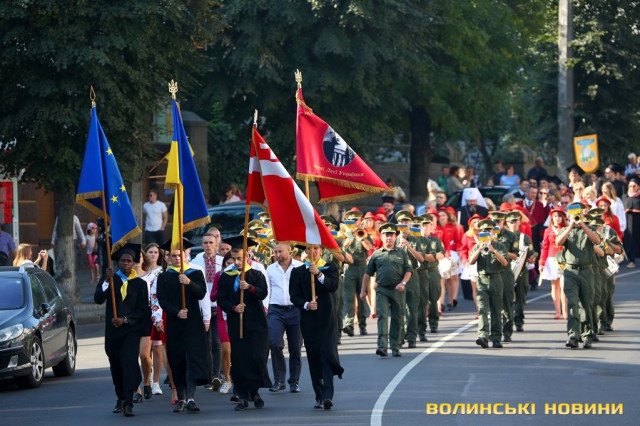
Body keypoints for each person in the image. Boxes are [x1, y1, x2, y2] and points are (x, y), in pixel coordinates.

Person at [94, 244, 150, 417]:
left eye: (129, 261)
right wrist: (106, 281)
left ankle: (129, 402)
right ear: (118, 262)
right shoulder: (111, 279)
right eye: (123, 261)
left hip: (130, 331)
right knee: (116, 366)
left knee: (129, 364)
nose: (126, 264)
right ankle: (120, 398)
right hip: (113, 332)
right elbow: (98, 298)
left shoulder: (140, 284)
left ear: (134, 263)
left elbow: (143, 310)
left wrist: (125, 319)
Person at [217, 237, 272, 411]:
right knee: (240, 359)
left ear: (247, 256)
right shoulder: (226, 276)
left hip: (256, 322)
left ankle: (254, 391)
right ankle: (242, 395)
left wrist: (250, 288)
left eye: (240, 258)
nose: (237, 262)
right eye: (234, 259)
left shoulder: (256, 274)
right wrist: (234, 307)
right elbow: (221, 299)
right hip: (236, 322)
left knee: (256, 356)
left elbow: (263, 293)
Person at [156, 239, 208, 412]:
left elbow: (201, 294)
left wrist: (189, 283)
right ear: (169, 258)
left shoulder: (195, 273)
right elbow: (162, 300)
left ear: (186, 256)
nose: (177, 258)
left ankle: (191, 397)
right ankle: (181, 397)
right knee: (177, 360)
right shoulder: (164, 277)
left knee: (191, 359)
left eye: (180, 255)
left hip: (193, 324)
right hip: (175, 324)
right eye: (173, 256)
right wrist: (176, 312)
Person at [289, 245, 344, 410]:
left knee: (327, 355)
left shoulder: (330, 267)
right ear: (305, 251)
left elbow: (333, 286)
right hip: (309, 321)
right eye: (309, 248)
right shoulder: (298, 272)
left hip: (327, 319)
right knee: (314, 357)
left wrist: (319, 274)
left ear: (321, 250)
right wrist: (306, 304)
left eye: (316, 248)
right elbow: (294, 296)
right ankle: (319, 395)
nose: (313, 251)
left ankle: (328, 395)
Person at [360, 223, 412, 358]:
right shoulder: (376, 254)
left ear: (395, 237)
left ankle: (395, 346)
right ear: (382, 237)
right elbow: (368, 273)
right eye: (386, 235)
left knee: (397, 318)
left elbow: (409, 270)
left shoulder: (402, 253)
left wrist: (403, 283)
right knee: (382, 316)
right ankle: (382, 346)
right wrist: (363, 290)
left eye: (391, 235)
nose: (389, 238)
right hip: (382, 289)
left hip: (397, 289)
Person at [555, 202, 601, 349]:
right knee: (573, 304)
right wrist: (570, 225)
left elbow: (597, 241)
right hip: (571, 272)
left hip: (587, 271)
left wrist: (582, 224)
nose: (576, 216)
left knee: (586, 304)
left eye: (578, 213)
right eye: (573, 214)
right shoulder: (565, 230)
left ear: (582, 214)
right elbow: (558, 242)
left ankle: (587, 335)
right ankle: (573, 336)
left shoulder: (590, 229)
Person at [265, 242, 303, 393]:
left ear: (289, 250)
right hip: (276, 310)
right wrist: (266, 308)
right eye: (275, 252)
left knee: (295, 347)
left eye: (280, 251)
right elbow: (267, 290)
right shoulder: (270, 269)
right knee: (274, 343)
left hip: (295, 310)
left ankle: (294, 381)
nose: (277, 255)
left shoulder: (300, 267)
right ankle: (279, 380)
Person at [190, 231, 223, 392]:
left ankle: (217, 374)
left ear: (216, 245)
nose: (208, 246)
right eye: (205, 243)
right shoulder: (195, 263)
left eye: (211, 243)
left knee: (217, 342)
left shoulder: (222, 262)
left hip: (218, 306)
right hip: (202, 307)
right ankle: (208, 374)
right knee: (205, 343)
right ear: (201, 245)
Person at [468, 219, 509, 348]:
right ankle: (483, 336)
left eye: (489, 230)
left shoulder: (499, 246)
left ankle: (496, 338)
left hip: (496, 279)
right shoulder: (477, 246)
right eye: (483, 231)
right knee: (482, 309)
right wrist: (479, 249)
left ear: (493, 232)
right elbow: (471, 261)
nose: (486, 233)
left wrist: (493, 251)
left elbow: (505, 263)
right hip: (482, 280)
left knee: (496, 310)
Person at [342, 210, 373, 337]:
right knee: (349, 297)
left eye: (356, 220)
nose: (354, 222)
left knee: (362, 297)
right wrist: (350, 237)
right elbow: (342, 247)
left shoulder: (364, 233)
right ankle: (349, 323)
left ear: (360, 221)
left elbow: (369, 247)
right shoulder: (344, 234)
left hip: (362, 267)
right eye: (352, 220)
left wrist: (361, 238)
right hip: (349, 268)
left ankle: (362, 324)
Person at [142, 243, 168, 398]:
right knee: (145, 352)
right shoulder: (141, 271)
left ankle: (156, 382)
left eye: (155, 252)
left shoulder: (162, 272)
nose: (153, 254)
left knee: (157, 348)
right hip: (144, 312)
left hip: (158, 312)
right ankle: (148, 377)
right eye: (150, 252)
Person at [505, 210, 537, 334]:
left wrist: (532, 257)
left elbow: (532, 252)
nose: (513, 224)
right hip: (506, 271)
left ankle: (519, 321)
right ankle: (507, 322)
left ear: (519, 222)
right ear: (506, 223)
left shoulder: (524, 237)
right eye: (510, 222)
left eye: (515, 221)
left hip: (522, 271)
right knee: (507, 299)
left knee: (520, 298)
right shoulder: (503, 238)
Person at [210, 252, 235, 395]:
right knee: (225, 349)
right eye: (228, 263)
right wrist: (222, 287)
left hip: (237, 315)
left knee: (238, 349)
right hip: (222, 316)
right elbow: (212, 296)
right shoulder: (220, 275)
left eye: (234, 263)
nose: (231, 266)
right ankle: (227, 379)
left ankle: (238, 378)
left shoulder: (242, 275)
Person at [417, 215, 445, 337]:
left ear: (431, 226)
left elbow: (441, 255)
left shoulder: (436, 240)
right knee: (421, 301)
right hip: (420, 272)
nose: (424, 227)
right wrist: (431, 256)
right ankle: (421, 326)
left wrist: (426, 256)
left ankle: (433, 323)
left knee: (434, 298)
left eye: (427, 225)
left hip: (432, 271)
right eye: (422, 225)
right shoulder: (415, 240)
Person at [539, 208, 569, 319]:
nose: (557, 218)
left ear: (563, 217)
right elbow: (545, 247)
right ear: (552, 217)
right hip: (551, 260)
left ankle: (565, 311)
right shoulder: (548, 230)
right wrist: (541, 263)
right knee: (555, 286)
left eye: (559, 216)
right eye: (555, 216)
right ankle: (557, 311)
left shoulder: (567, 229)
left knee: (564, 285)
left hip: (564, 259)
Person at [622, 177, 640, 268]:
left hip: (638, 222)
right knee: (630, 241)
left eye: (634, 186)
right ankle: (632, 261)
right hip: (628, 223)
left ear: (638, 187)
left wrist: (633, 210)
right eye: (630, 186)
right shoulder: (625, 197)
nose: (632, 188)